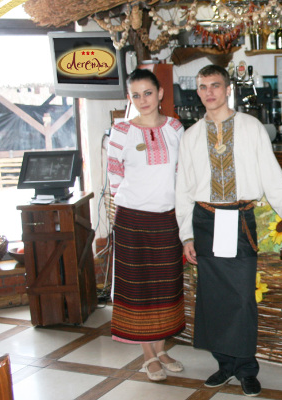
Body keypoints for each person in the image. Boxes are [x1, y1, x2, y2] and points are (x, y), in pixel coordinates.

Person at [176, 64, 282, 397]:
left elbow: (272, 177)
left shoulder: (251, 127)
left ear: (228, 89)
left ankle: (246, 369)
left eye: (215, 85)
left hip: (240, 221)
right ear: (197, 92)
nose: (209, 92)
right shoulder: (190, 136)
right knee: (213, 299)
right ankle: (224, 365)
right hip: (205, 221)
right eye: (203, 87)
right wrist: (186, 235)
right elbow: (183, 189)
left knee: (243, 298)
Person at [107, 68, 185, 382]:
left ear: (160, 93)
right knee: (138, 289)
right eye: (136, 95)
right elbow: (114, 175)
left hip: (167, 219)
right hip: (132, 220)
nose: (143, 100)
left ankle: (162, 349)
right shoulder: (121, 130)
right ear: (130, 98)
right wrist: (128, 206)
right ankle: (148, 355)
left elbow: (181, 174)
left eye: (148, 93)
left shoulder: (175, 128)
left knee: (166, 286)